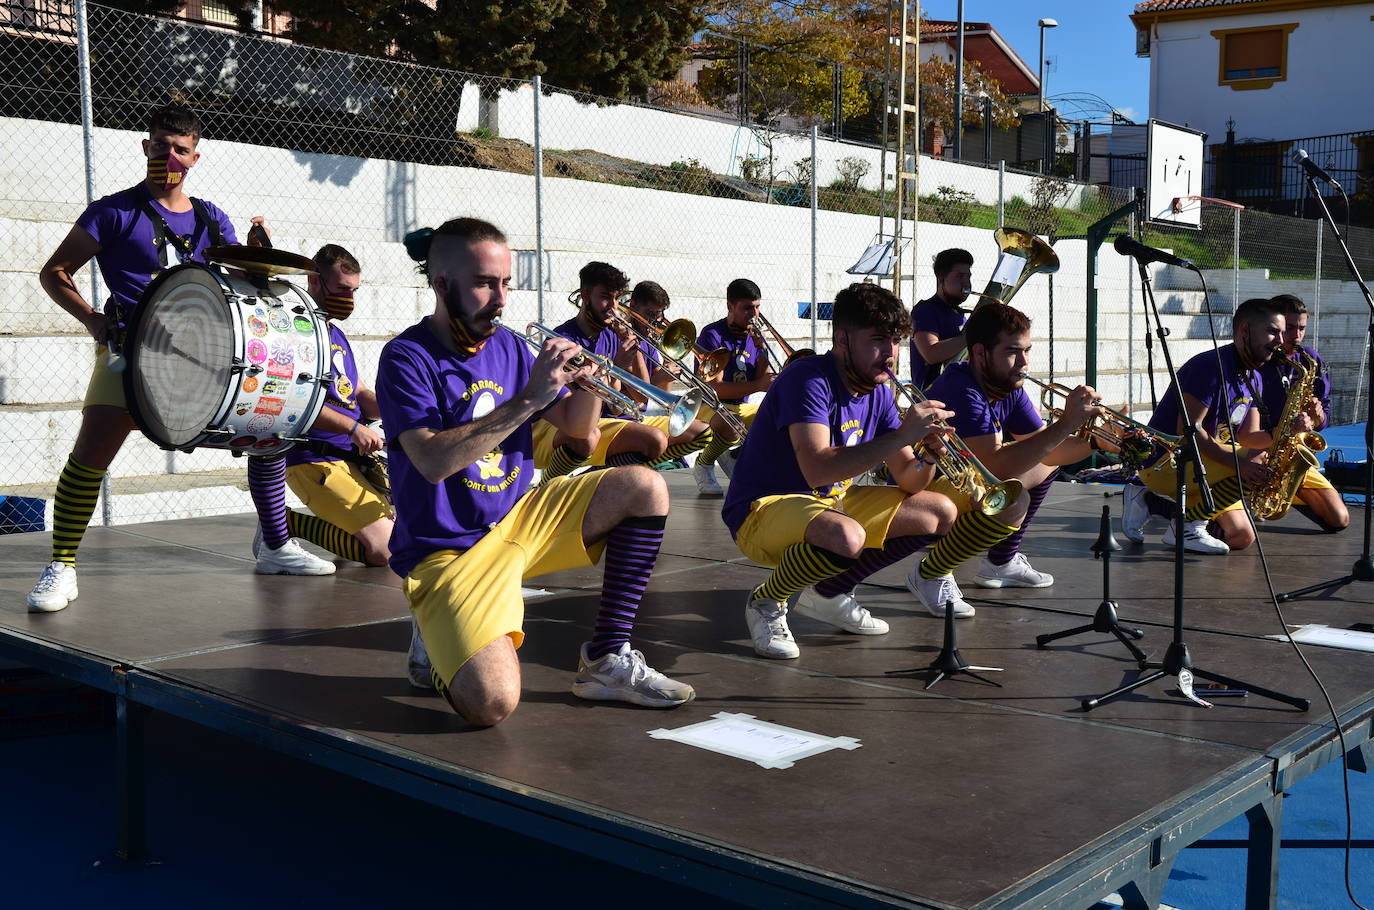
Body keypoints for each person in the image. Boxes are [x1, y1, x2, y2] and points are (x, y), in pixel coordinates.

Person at [376, 217, 693, 726]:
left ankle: (606, 659)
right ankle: (436, 638)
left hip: (517, 520)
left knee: (644, 487)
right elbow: (432, 461)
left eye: (506, 283)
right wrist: (528, 398)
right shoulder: (406, 357)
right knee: (491, 703)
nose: (500, 299)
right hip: (447, 549)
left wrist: (587, 384)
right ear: (441, 284)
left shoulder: (509, 347)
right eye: (484, 284)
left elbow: (578, 431)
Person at [722, 282, 1020, 659]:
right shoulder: (808, 379)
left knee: (937, 512)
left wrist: (929, 455)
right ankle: (767, 600)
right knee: (845, 535)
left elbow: (910, 479)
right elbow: (817, 469)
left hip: (829, 505)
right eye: (878, 340)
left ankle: (829, 593)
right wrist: (903, 435)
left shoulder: (879, 391)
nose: (890, 353)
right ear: (842, 340)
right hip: (761, 510)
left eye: (896, 341)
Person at [28, 103, 240, 612]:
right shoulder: (113, 211)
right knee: (91, 454)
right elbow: (55, 272)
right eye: (161, 145)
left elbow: (240, 279)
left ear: (195, 157)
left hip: (200, 358)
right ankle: (61, 564)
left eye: (181, 149)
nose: (170, 156)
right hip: (129, 350)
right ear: (146, 147)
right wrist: (92, 320)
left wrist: (257, 251)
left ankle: (275, 542)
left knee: (266, 431)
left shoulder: (212, 218)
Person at [924, 304, 1105, 593]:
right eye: (1012, 352)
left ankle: (1001, 563)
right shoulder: (962, 388)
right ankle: (931, 574)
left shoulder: (1007, 385)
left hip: (958, 483)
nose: (1024, 362)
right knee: (1014, 499)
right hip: (921, 489)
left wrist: (1096, 441)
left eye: (1027, 350)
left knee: (1044, 460)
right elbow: (994, 469)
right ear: (980, 353)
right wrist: (1068, 423)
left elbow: (1051, 452)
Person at [247, 244, 395, 571]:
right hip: (314, 459)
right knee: (387, 551)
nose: (349, 298)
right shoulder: (291, 334)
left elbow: (356, 392)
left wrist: (402, 409)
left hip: (351, 457)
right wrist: (353, 428)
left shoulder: (335, 333)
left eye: (354, 290)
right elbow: (292, 402)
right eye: (342, 288)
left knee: (408, 536)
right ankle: (282, 524)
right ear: (315, 281)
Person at [1126, 298, 1290, 553]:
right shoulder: (1210, 367)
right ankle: (1187, 526)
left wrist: (1288, 431)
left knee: (1241, 537)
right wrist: (1240, 465)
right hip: (1166, 461)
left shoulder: (1254, 376)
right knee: (1260, 463)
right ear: (1245, 330)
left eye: (1282, 333)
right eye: (1272, 332)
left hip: (1205, 462)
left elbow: (1248, 436)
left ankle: (1152, 503)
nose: (1281, 341)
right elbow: (1189, 431)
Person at [531, 262, 671, 481]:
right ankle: (547, 485)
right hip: (554, 422)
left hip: (594, 421)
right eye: (605, 297)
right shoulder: (563, 339)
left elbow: (633, 401)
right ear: (585, 296)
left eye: (617, 298)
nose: (613, 307)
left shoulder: (611, 335)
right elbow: (574, 408)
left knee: (663, 440)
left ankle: (592, 479)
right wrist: (616, 368)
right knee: (587, 437)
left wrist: (631, 345)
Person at [1256, 294, 1347, 533]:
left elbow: (1324, 413)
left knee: (1339, 519)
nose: (1296, 336)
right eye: (1290, 328)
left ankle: (1284, 490)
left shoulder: (1310, 360)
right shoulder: (1256, 361)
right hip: (1254, 448)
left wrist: (1317, 418)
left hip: (1290, 452)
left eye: (1302, 328)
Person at [692, 278, 776, 496]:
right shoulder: (713, 335)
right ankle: (704, 463)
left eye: (757, 307)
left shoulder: (752, 335)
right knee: (733, 423)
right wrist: (758, 385)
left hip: (738, 407)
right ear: (730, 306)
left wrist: (763, 351)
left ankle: (737, 455)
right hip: (709, 405)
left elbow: (761, 379)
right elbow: (715, 389)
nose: (754, 314)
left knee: (783, 416)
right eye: (747, 308)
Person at [621, 280, 716, 468]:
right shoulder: (623, 337)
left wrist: (666, 372)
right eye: (651, 313)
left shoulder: (648, 337)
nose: (656, 320)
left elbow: (661, 390)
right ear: (633, 306)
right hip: (628, 415)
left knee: (702, 432)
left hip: (646, 413)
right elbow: (640, 392)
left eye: (660, 313)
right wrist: (633, 339)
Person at [910, 248, 975, 389]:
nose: (966, 283)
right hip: (931, 395)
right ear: (941, 279)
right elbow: (931, 353)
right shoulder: (925, 310)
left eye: (968, 277)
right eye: (960, 276)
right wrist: (973, 335)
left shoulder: (960, 315)